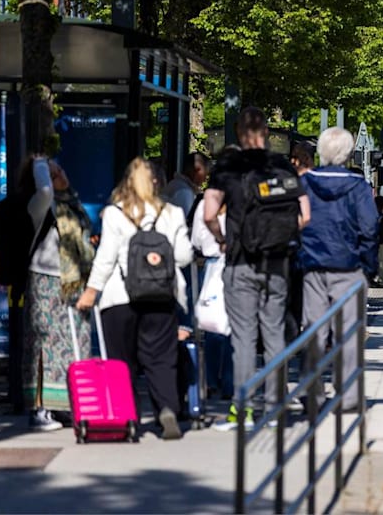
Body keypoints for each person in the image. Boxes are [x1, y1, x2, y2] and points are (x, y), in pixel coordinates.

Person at [202, 107, 310, 428]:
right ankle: (277, 409)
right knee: (275, 333)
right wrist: (279, 237)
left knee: (244, 338)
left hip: (241, 261)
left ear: (239, 132)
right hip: (277, 263)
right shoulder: (281, 165)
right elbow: (305, 216)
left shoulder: (228, 166)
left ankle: (243, 409)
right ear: (266, 132)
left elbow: (209, 213)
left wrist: (223, 239)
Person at [75, 157, 194, 440]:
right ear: (156, 182)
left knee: (121, 361)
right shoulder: (173, 212)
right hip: (161, 297)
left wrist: (91, 291)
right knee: (161, 358)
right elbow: (183, 255)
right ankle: (166, 409)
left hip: (120, 298)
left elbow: (105, 258)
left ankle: (127, 416)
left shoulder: (115, 214)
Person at [299, 127, 378, 412]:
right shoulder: (357, 186)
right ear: (347, 153)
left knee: (314, 331)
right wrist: (369, 265)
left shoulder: (305, 182)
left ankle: (313, 392)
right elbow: (369, 227)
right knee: (349, 333)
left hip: (313, 266)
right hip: (348, 266)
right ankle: (349, 396)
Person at [23, 155, 96, 431]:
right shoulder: (40, 205)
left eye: (61, 170)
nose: (60, 176)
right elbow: (44, 190)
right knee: (44, 345)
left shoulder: (72, 204)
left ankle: (65, 404)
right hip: (45, 279)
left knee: (73, 343)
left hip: (74, 280)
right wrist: (41, 164)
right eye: (55, 174)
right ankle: (40, 408)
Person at [191, 146, 238, 400]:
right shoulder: (244, 196)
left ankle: (209, 380)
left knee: (211, 325)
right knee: (234, 326)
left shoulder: (205, 202)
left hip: (211, 265)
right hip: (237, 264)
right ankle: (230, 383)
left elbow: (197, 237)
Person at [286, 141, 316, 344]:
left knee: (292, 296)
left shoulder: (291, 183)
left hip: (294, 246)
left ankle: (293, 336)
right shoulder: (319, 182)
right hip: (315, 247)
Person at [162, 152, 209, 218]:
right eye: (206, 173)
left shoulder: (175, 184)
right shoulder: (184, 191)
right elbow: (185, 222)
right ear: (197, 170)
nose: (205, 178)